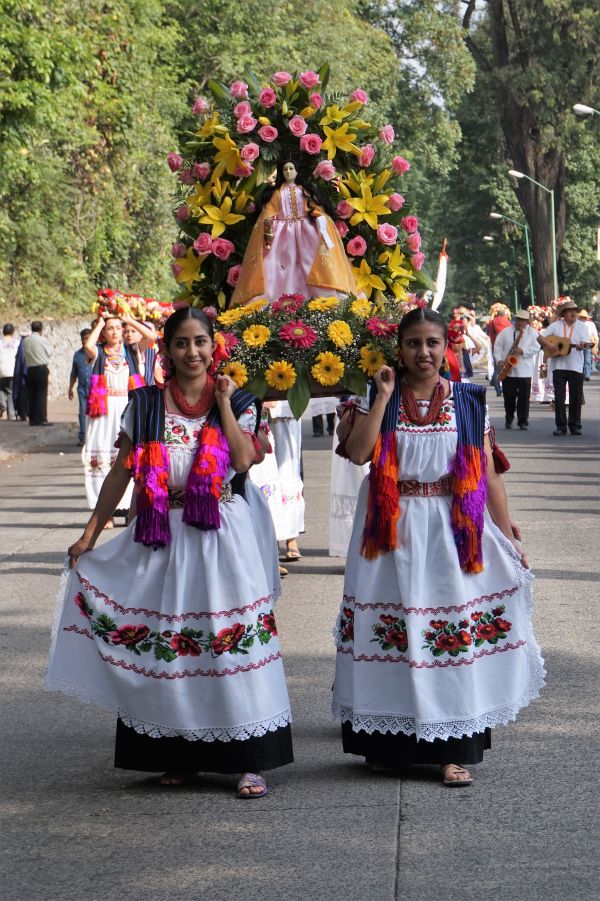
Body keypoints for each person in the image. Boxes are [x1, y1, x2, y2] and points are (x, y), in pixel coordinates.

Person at [47, 307, 293, 797]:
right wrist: (90, 534)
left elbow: (244, 461)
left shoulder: (242, 400)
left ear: (214, 346)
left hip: (223, 535)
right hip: (163, 534)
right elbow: (121, 471)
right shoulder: (146, 405)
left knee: (229, 641)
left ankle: (249, 758)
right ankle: (178, 754)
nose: (192, 352)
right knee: (171, 643)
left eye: (200, 342)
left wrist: (222, 403)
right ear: (167, 350)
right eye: (181, 343)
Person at [332, 307, 544, 787]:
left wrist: (507, 533)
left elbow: (487, 476)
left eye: (431, 343)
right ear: (399, 349)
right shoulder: (374, 394)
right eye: (413, 344)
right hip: (388, 532)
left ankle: (454, 750)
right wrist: (384, 396)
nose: (423, 353)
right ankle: (390, 748)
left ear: (446, 346)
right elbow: (361, 454)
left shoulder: (467, 401)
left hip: (451, 530)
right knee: (393, 634)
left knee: (450, 638)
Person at [231, 159, 356, 306]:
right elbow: (269, 214)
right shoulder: (277, 193)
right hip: (282, 235)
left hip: (306, 233)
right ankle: (276, 300)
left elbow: (315, 208)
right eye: (285, 169)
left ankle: (318, 298)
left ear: (297, 172)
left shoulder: (304, 191)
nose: (288, 172)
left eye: (291, 169)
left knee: (310, 262)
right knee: (278, 264)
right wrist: (269, 228)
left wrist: (321, 219)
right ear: (281, 173)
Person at [82, 314, 156, 517]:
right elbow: (88, 345)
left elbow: (151, 336)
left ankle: (126, 506)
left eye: (117, 327)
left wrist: (128, 319)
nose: (115, 331)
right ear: (104, 333)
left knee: (129, 455)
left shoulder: (132, 351)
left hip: (128, 406)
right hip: (103, 409)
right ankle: (102, 510)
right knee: (102, 451)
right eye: (110, 328)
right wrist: (100, 322)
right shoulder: (98, 353)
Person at [538, 299, 590, 436]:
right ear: (564, 314)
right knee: (559, 397)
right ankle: (561, 426)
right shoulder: (556, 326)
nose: (573, 313)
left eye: (575, 311)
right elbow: (540, 337)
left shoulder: (582, 327)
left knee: (575, 397)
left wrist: (581, 346)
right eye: (570, 311)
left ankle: (575, 425)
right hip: (558, 366)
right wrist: (550, 346)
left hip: (576, 366)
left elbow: (585, 342)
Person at [493, 309, 540, 430]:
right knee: (509, 397)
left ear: (527, 322)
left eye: (523, 320)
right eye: (518, 320)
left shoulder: (533, 333)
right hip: (508, 370)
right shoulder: (505, 332)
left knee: (524, 399)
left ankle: (523, 421)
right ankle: (509, 418)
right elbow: (497, 347)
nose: (520, 322)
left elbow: (537, 347)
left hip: (525, 370)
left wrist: (523, 351)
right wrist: (499, 360)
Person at [22, 321, 52, 426]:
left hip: (30, 370)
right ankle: (42, 418)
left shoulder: (26, 341)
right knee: (41, 394)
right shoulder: (42, 339)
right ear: (41, 329)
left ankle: (33, 419)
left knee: (32, 395)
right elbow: (50, 352)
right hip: (41, 368)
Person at [68, 329, 93, 446]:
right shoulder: (77, 355)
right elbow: (74, 373)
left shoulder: (96, 352)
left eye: (87, 338)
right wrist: (70, 388)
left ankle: (94, 436)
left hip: (96, 389)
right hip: (82, 388)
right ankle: (83, 437)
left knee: (96, 413)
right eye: (83, 339)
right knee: (82, 411)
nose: (85, 341)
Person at [486, 304, 512, 396]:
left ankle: (497, 388)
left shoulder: (493, 322)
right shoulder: (508, 322)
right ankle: (504, 388)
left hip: (496, 346)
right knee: (506, 368)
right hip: (507, 347)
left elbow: (489, 332)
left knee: (497, 368)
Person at [0, 324, 20, 420]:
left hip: (1, 370)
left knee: (1, 389)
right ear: (12, 332)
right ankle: (11, 414)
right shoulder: (17, 343)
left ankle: (2, 405)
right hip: (12, 370)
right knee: (10, 392)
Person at [577, 309, 598, 381]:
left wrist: (596, 341)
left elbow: (594, 334)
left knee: (587, 358)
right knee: (580, 358)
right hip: (579, 342)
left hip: (588, 342)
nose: (583, 318)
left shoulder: (591, 324)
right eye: (582, 317)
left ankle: (587, 374)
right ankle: (581, 373)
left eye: (584, 317)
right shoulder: (577, 324)